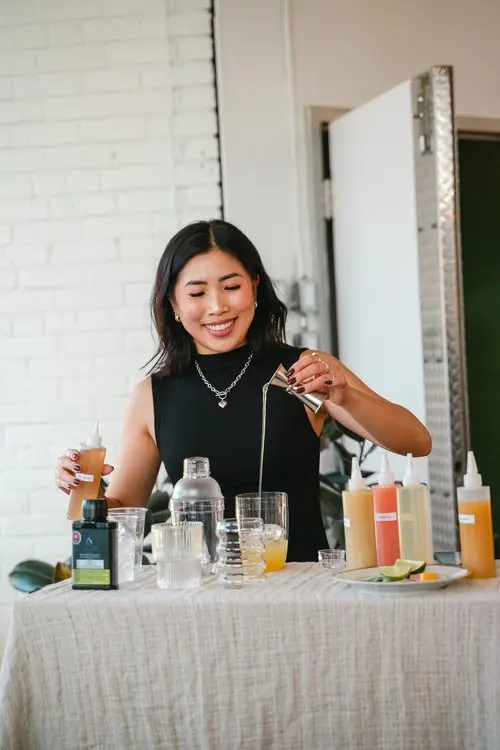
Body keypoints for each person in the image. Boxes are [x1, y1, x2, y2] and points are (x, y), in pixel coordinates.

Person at [55, 219, 432, 561]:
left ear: (254, 286)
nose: (217, 307)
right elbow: (124, 509)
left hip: (300, 587)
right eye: (197, 293)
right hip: (201, 595)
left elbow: (416, 441)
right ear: (173, 303)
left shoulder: (301, 371)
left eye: (231, 287)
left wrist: (344, 394)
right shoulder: (153, 395)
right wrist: (81, 485)